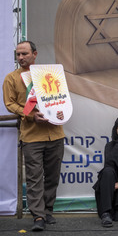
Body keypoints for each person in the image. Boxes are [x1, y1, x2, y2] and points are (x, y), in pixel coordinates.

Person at [2, 41, 65, 231]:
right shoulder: (11, 79)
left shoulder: (49, 75)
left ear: (35, 54)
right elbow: (9, 104)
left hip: (55, 134)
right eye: (18, 54)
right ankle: (38, 216)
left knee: (52, 177)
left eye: (24, 54)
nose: (20, 57)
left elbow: (60, 99)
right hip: (31, 137)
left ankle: (48, 211)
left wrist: (61, 112)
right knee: (34, 178)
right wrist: (29, 114)